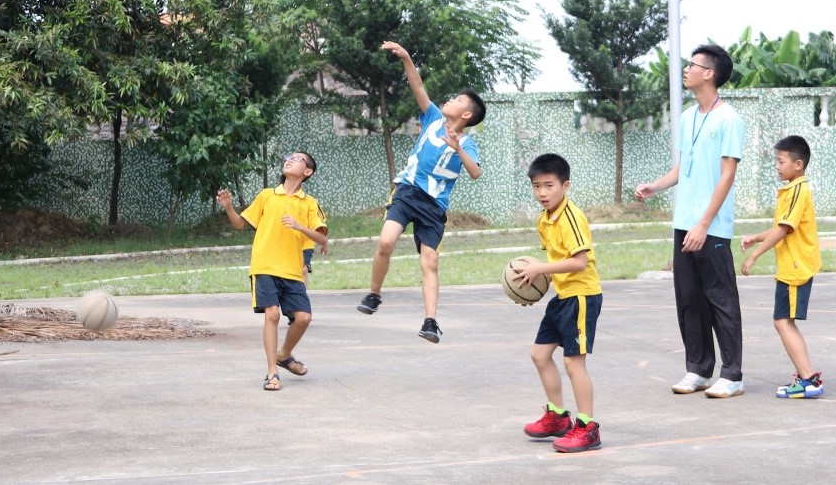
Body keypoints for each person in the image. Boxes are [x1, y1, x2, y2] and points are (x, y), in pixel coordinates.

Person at [634, 43, 747, 398]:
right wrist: (657, 186)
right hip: (684, 222)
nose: (686, 70)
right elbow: (685, 168)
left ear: (709, 73)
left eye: (692, 65)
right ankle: (697, 369)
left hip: (710, 226)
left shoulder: (730, 119)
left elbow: (726, 176)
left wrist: (703, 224)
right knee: (688, 299)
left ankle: (732, 374)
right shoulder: (687, 117)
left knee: (720, 299)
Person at [357, 40, 486, 344]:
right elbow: (417, 87)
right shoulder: (432, 119)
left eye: (457, 99)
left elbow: (476, 172)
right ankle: (374, 294)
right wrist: (406, 58)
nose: (450, 100)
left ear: (466, 115)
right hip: (407, 192)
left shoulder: (466, 143)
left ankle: (430, 321)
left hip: (433, 207)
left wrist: (458, 149)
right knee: (386, 242)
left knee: (430, 261)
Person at [216, 151, 329, 391]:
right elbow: (239, 224)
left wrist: (300, 226)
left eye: (297, 159)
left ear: (307, 172)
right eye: (288, 157)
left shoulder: (310, 203)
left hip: (291, 269)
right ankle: (272, 372)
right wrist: (228, 207)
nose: (289, 159)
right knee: (273, 314)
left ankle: (284, 354)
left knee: (304, 318)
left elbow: (321, 237)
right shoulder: (267, 195)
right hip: (265, 265)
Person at [518, 153, 603, 453]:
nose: (542, 192)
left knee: (573, 361)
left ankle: (587, 427)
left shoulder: (571, 216)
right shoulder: (544, 218)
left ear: (565, 186)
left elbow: (579, 262)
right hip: (562, 295)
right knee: (540, 354)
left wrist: (539, 269)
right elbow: (557, 262)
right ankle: (557, 416)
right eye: (536, 186)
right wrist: (535, 288)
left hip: (581, 295)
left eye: (549, 185)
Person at [740, 135, 824, 399]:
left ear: (798, 164)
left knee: (782, 322)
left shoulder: (799, 189)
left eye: (781, 161)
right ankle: (806, 376)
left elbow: (785, 230)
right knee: (784, 321)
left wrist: (755, 255)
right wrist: (756, 236)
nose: (777, 166)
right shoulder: (792, 189)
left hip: (795, 267)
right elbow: (780, 227)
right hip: (791, 266)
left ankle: (809, 379)